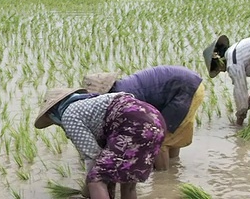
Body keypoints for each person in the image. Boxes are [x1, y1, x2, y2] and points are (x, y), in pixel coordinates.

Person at [34, 88, 165, 199]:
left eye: (54, 121)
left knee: (96, 179)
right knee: (128, 181)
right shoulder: (90, 103)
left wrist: (88, 189)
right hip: (156, 120)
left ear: (53, 113)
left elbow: (93, 154)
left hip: (133, 126)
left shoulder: (68, 115)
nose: (58, 124)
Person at [81, 66, 204, 170]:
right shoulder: (122, 87)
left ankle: (163, 179)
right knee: (171, 134)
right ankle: (173, 166)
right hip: (192, 85)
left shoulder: (120, 97)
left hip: (186, 90)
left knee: (160, 139)